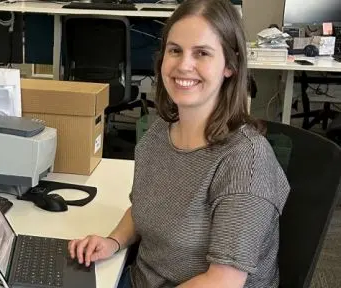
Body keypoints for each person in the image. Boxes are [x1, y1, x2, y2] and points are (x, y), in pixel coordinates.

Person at [68, 0, 291, 287]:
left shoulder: (245, 161)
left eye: (202, 53)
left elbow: (223, 282)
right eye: (175, 51)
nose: (184, 65)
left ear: (230, 66)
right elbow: (143, 209)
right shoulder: (160, 131)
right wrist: (113, 241)